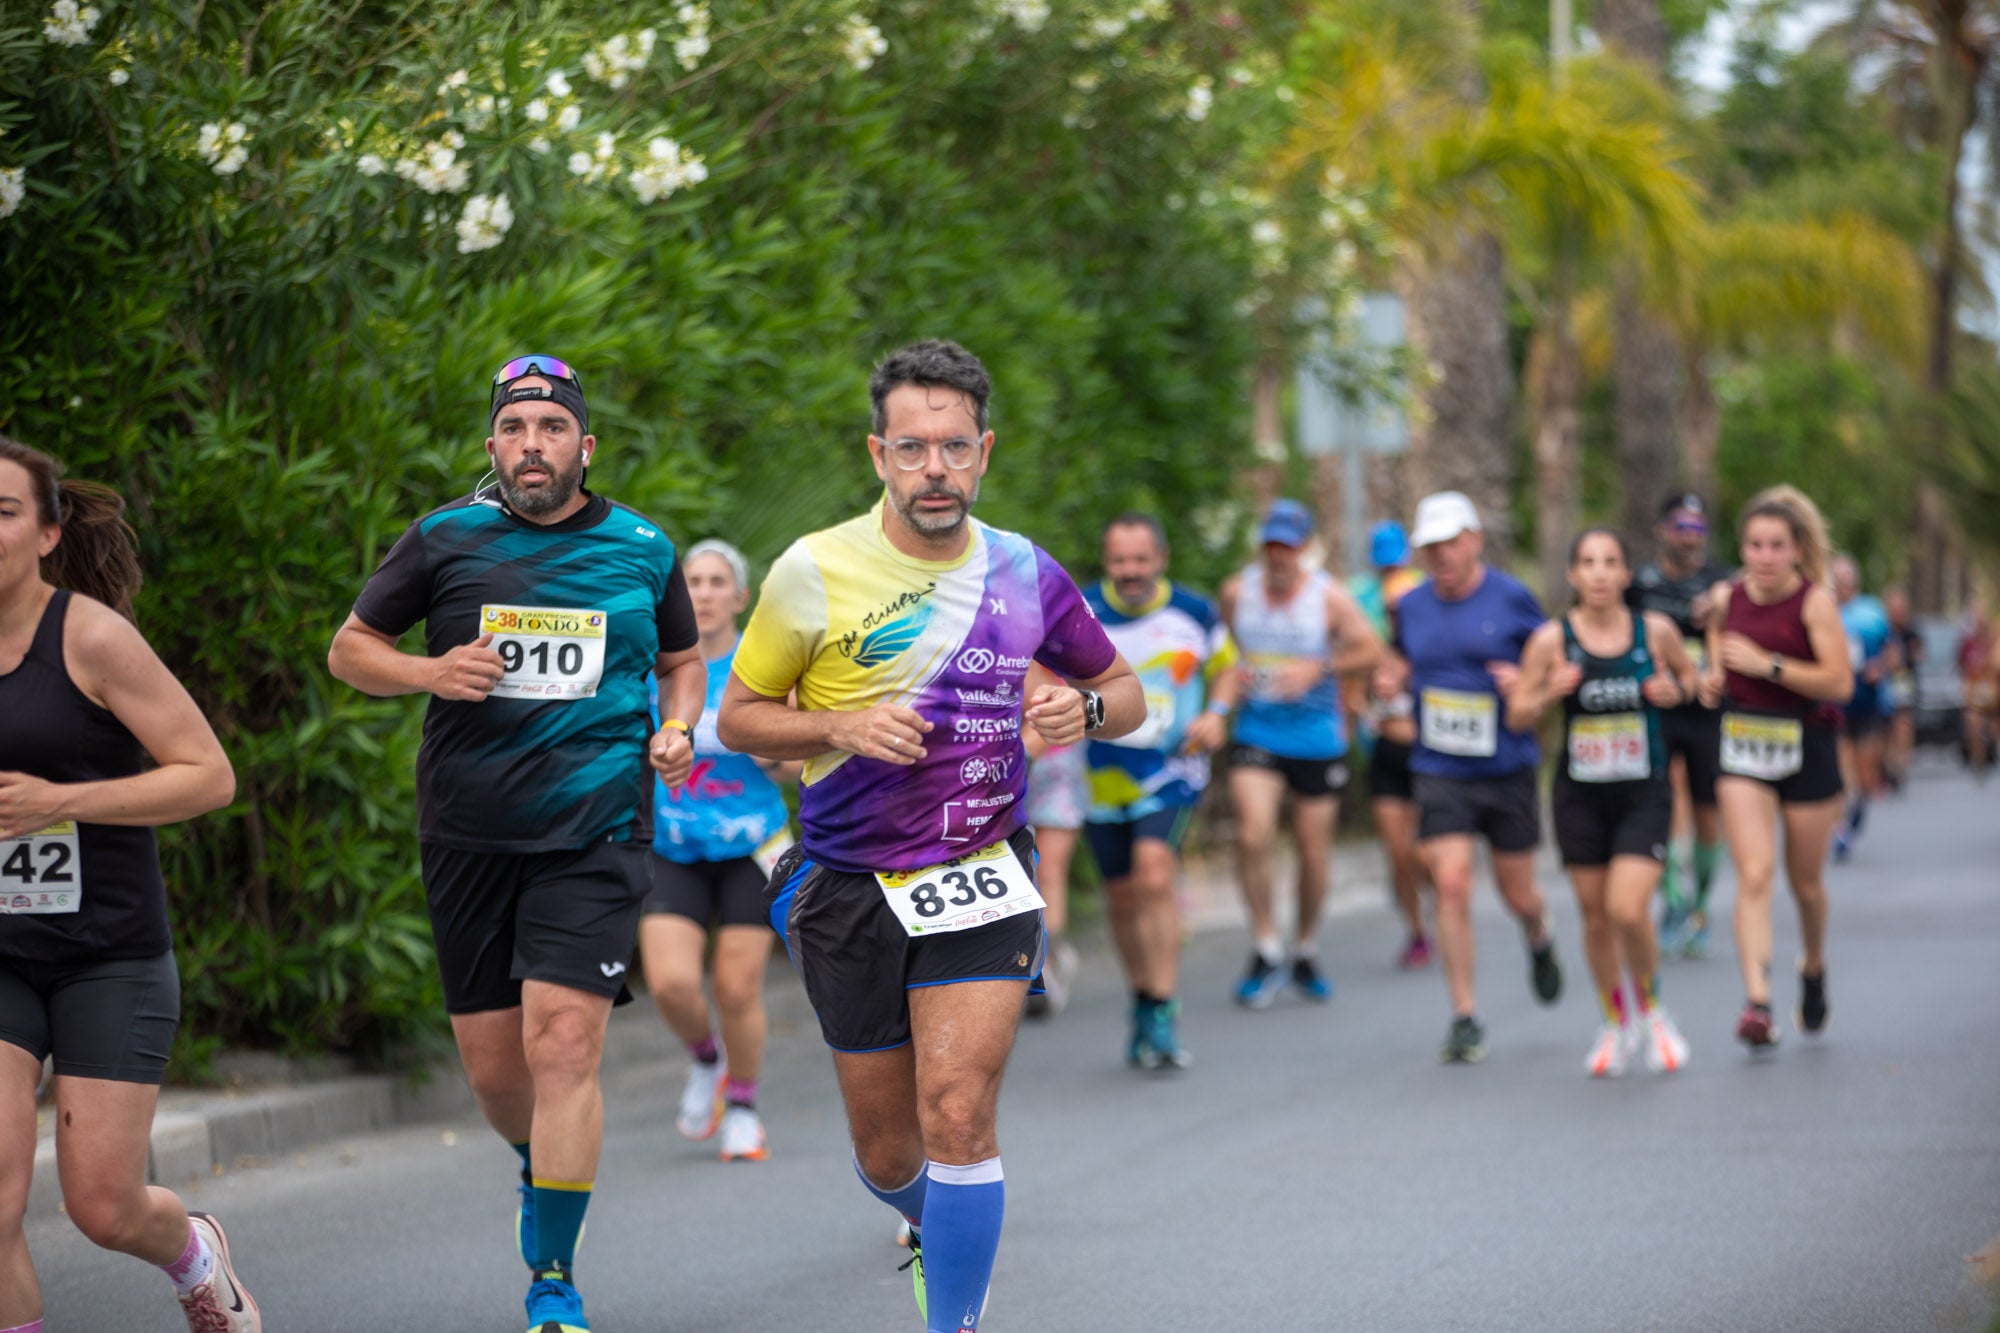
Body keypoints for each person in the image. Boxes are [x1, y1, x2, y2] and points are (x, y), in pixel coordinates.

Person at [716, 340, 1141, 1332]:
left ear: (983, 452)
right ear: (877, 455)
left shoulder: (1025, 571)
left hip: (982, 872)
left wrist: (1077, 716)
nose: (934, 470)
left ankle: (951, 1318)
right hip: (848, 883)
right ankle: (931, 1220)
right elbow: (737, 718)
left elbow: (1123, 692)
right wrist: (836, 725)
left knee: (957, 1111)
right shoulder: (810, 570)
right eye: (912, 449)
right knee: (889, 1151)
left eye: (953, 448)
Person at [327, 355, 705, 1333]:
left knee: (565, 1042)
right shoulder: (443, 538)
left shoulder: (641, 547)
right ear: (492, 443)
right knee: (501, 1078)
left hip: (596, 829)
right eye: (513, 427)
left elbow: (683, 659)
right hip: (468, 829)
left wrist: (678, 728)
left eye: (549, 426)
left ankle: (552, 1280)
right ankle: (541, 1166)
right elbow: (351, 652)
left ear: (586, 443)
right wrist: (429, 669)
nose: (530, 443)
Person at [0, 438, 254, 1333]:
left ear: (47, 532)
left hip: (106, 953)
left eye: (4, 510)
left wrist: (59, 801)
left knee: (102, 1205)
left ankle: (194, 1252)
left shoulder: (93, 637)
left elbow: (208, 776)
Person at [1508, 529, 1697, 1077]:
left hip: (1644, 791)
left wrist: (1675, 692)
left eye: (1609, 562)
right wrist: (1549, 692)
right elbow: (1518, 713)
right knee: (1594, 918)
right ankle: (1616, 1021)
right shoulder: (1551, 640)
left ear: (1624, 575)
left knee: (1627, 908)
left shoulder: (1654, 631)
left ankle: (1656, 1012)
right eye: (1586, 562)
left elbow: (1692, 681)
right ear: (1572, 575)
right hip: (1580, 797)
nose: (1597, 573)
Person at [1385, 491, 1563, 1064]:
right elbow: (1399, 662)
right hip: (1440, 768)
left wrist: (1528, 683)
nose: (1441, 555)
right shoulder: (1410, 607)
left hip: (1507, 767)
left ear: (1475, 540)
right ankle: (1465, 1014)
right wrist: (1390, 682)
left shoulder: (1513, 599)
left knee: (1519, 893)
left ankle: (1538, 932)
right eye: (1430, 547)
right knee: (1453, 883)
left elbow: (1557, 664)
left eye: (1450, 544)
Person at [643, 539, 798, 1163]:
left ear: (739, 597)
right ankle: (706, 1060)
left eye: (715, 583)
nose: (703, 593)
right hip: (672, 846)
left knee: (736, 989)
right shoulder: (654, 667)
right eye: (693, 582)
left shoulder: (760, 668)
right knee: (673, 984)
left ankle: (742, 1105)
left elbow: (795, 762)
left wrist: (770, 749)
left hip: (750, 849)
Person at [1697, 484, 1851, 1051]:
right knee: (1755, 874)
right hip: (1743, 742)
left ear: (1795, 550)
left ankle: (1812, 964)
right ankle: (1757, 1001)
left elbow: (1839, 682)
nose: (1763, 557)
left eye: (1776, 546)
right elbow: (1717, 638)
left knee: (1805, 883)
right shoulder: (1727, 596)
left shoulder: (1814, 603)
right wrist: (1715, 674)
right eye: (1754, 545)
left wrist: (1771, 665)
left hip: (1807, 741)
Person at [1081, 513, 1237, 1067]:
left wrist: (1217, 713)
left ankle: (1165, 1007)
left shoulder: (1192, 611)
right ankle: (1143, 998)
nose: (1130, 571)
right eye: (1120, 561)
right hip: (1098, 774)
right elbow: (1044, 675)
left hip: (1171, 771)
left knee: (1154, 871)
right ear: (1107, 563)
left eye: (1140, 560)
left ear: (1161, 560)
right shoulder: (1082, 611)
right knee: (1121, 896)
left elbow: (1227, 668)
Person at [1219, 499, 1381, 1006]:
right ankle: (1267, 945)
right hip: (1258, 730)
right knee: (1253, 832)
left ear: (1304, 549)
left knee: (1313, 852)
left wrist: (1320, 666)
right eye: (1270, 545)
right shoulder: (1236, 593)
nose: (1278, 555)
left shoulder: (1328, 598)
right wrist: (1231, 681)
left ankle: (1305, 946)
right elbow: (1225, 652)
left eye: (1287, 546)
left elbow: (1371, 649)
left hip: (1316, 736)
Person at [1625, 494, 1733, 956]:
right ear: (1660, 529)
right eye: (1679, 525)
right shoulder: (1641, 585)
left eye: (1697, 527)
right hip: (1657, 709)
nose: (1688, 536)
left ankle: (1701, 906)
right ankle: (1673, 900)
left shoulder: (1721, 581)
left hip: (1708, 712)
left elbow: (1766, 587)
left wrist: (1726, 597)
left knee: (1710, 816)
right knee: (1665, 805)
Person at [1351, 521, 1431, 968]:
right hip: (1383, 754)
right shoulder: (1364, 621)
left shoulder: (1429, 638)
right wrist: (1366, 712)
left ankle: (1439, 904)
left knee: (1422, 853)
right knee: (1397, 852)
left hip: (1424, 757)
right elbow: (1351, 688)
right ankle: (1417, 930)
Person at [1020, 726, 1087, 1018]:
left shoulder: (1063, 676)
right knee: (1018, 872)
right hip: (994, 766)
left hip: (1056, 767)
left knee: (1047, 870)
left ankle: (1046, 962)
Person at [1828, 555, 1891, 862]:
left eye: (1845, 580)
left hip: (1867, 702)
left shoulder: (1872, 612)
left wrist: (1881, 667)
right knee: (1841, 772)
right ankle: (1840, 830)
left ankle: (1853, 821)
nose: (1841, 586)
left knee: (1865, 777)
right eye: (1835, 580)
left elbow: (1893, 652)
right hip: (1834, 703)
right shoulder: (1821, 610)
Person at [1882, 586, 1921, 791]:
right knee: (1885, 727)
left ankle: (1900, 766)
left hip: (1904, 682)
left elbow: (1919, 655)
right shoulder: (1881, 628)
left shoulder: (1912, 630)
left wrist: (1906, 656)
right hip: (1884, 684)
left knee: (1904, 723)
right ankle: (1887, 764)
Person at [1958, 602, 1995, 779]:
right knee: (1972, 721)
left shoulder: (1994, 640)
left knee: (1993, 725)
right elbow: (1960, 665)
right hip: (1975, 691)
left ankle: (1992, 749)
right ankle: (1978, 760)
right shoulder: (1967, 643)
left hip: (1994, 691)